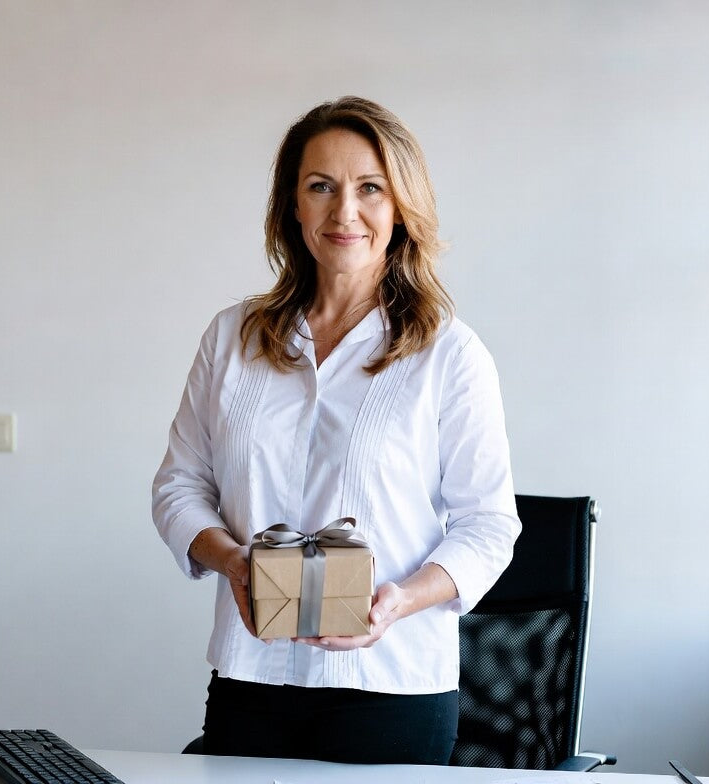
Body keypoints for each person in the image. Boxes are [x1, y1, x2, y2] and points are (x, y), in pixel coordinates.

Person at [152, 96, 520, 766]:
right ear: (292, 205)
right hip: (250, 677)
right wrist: (232, 560)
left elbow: (490, 526)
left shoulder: (449, 355)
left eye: (369, 189)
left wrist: (398, 603)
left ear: (399, 206)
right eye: (320, 187)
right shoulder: (232, 338)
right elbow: (179, 487)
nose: (343, 212)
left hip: (390, 690)